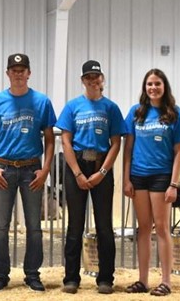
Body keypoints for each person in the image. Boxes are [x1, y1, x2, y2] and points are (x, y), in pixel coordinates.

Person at [0, 53, 56, 292]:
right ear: (7, 73)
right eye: (14, 70)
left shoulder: (42, 101)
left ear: (29, 73)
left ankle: (32, 274)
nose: (18, 73)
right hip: (3, 169)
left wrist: (45, 169)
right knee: (0, 226)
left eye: (22, 69)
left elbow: (49, 138)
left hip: (31, 169)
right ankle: (0, 274)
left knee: (34, 226)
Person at [56, 60, 126, 295]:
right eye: (88, 77)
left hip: (101, 166)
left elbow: (116, 143)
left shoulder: (111, 108)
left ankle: (105, 279)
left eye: (96, 76)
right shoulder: (72, 106)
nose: (92, 80)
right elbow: (65, 140)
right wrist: (77, 172)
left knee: (104, 226)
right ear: (82, 80)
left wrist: (102, 172)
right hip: (77, 166)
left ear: (102, 79)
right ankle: (71, 279)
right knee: (74, 226)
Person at [123, 69, 180, 297]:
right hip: (139, 176)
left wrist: (174, 184)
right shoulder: (136, 112)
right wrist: (126, 179)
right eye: (149, 84)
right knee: (143, 229)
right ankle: (142, 280)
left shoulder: (175, 114)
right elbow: (128, 149)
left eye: (157, 84)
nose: (153, 88)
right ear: (144, 87)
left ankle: (166, 281)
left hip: (162, 176)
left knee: (161, 227)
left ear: (164, 86)